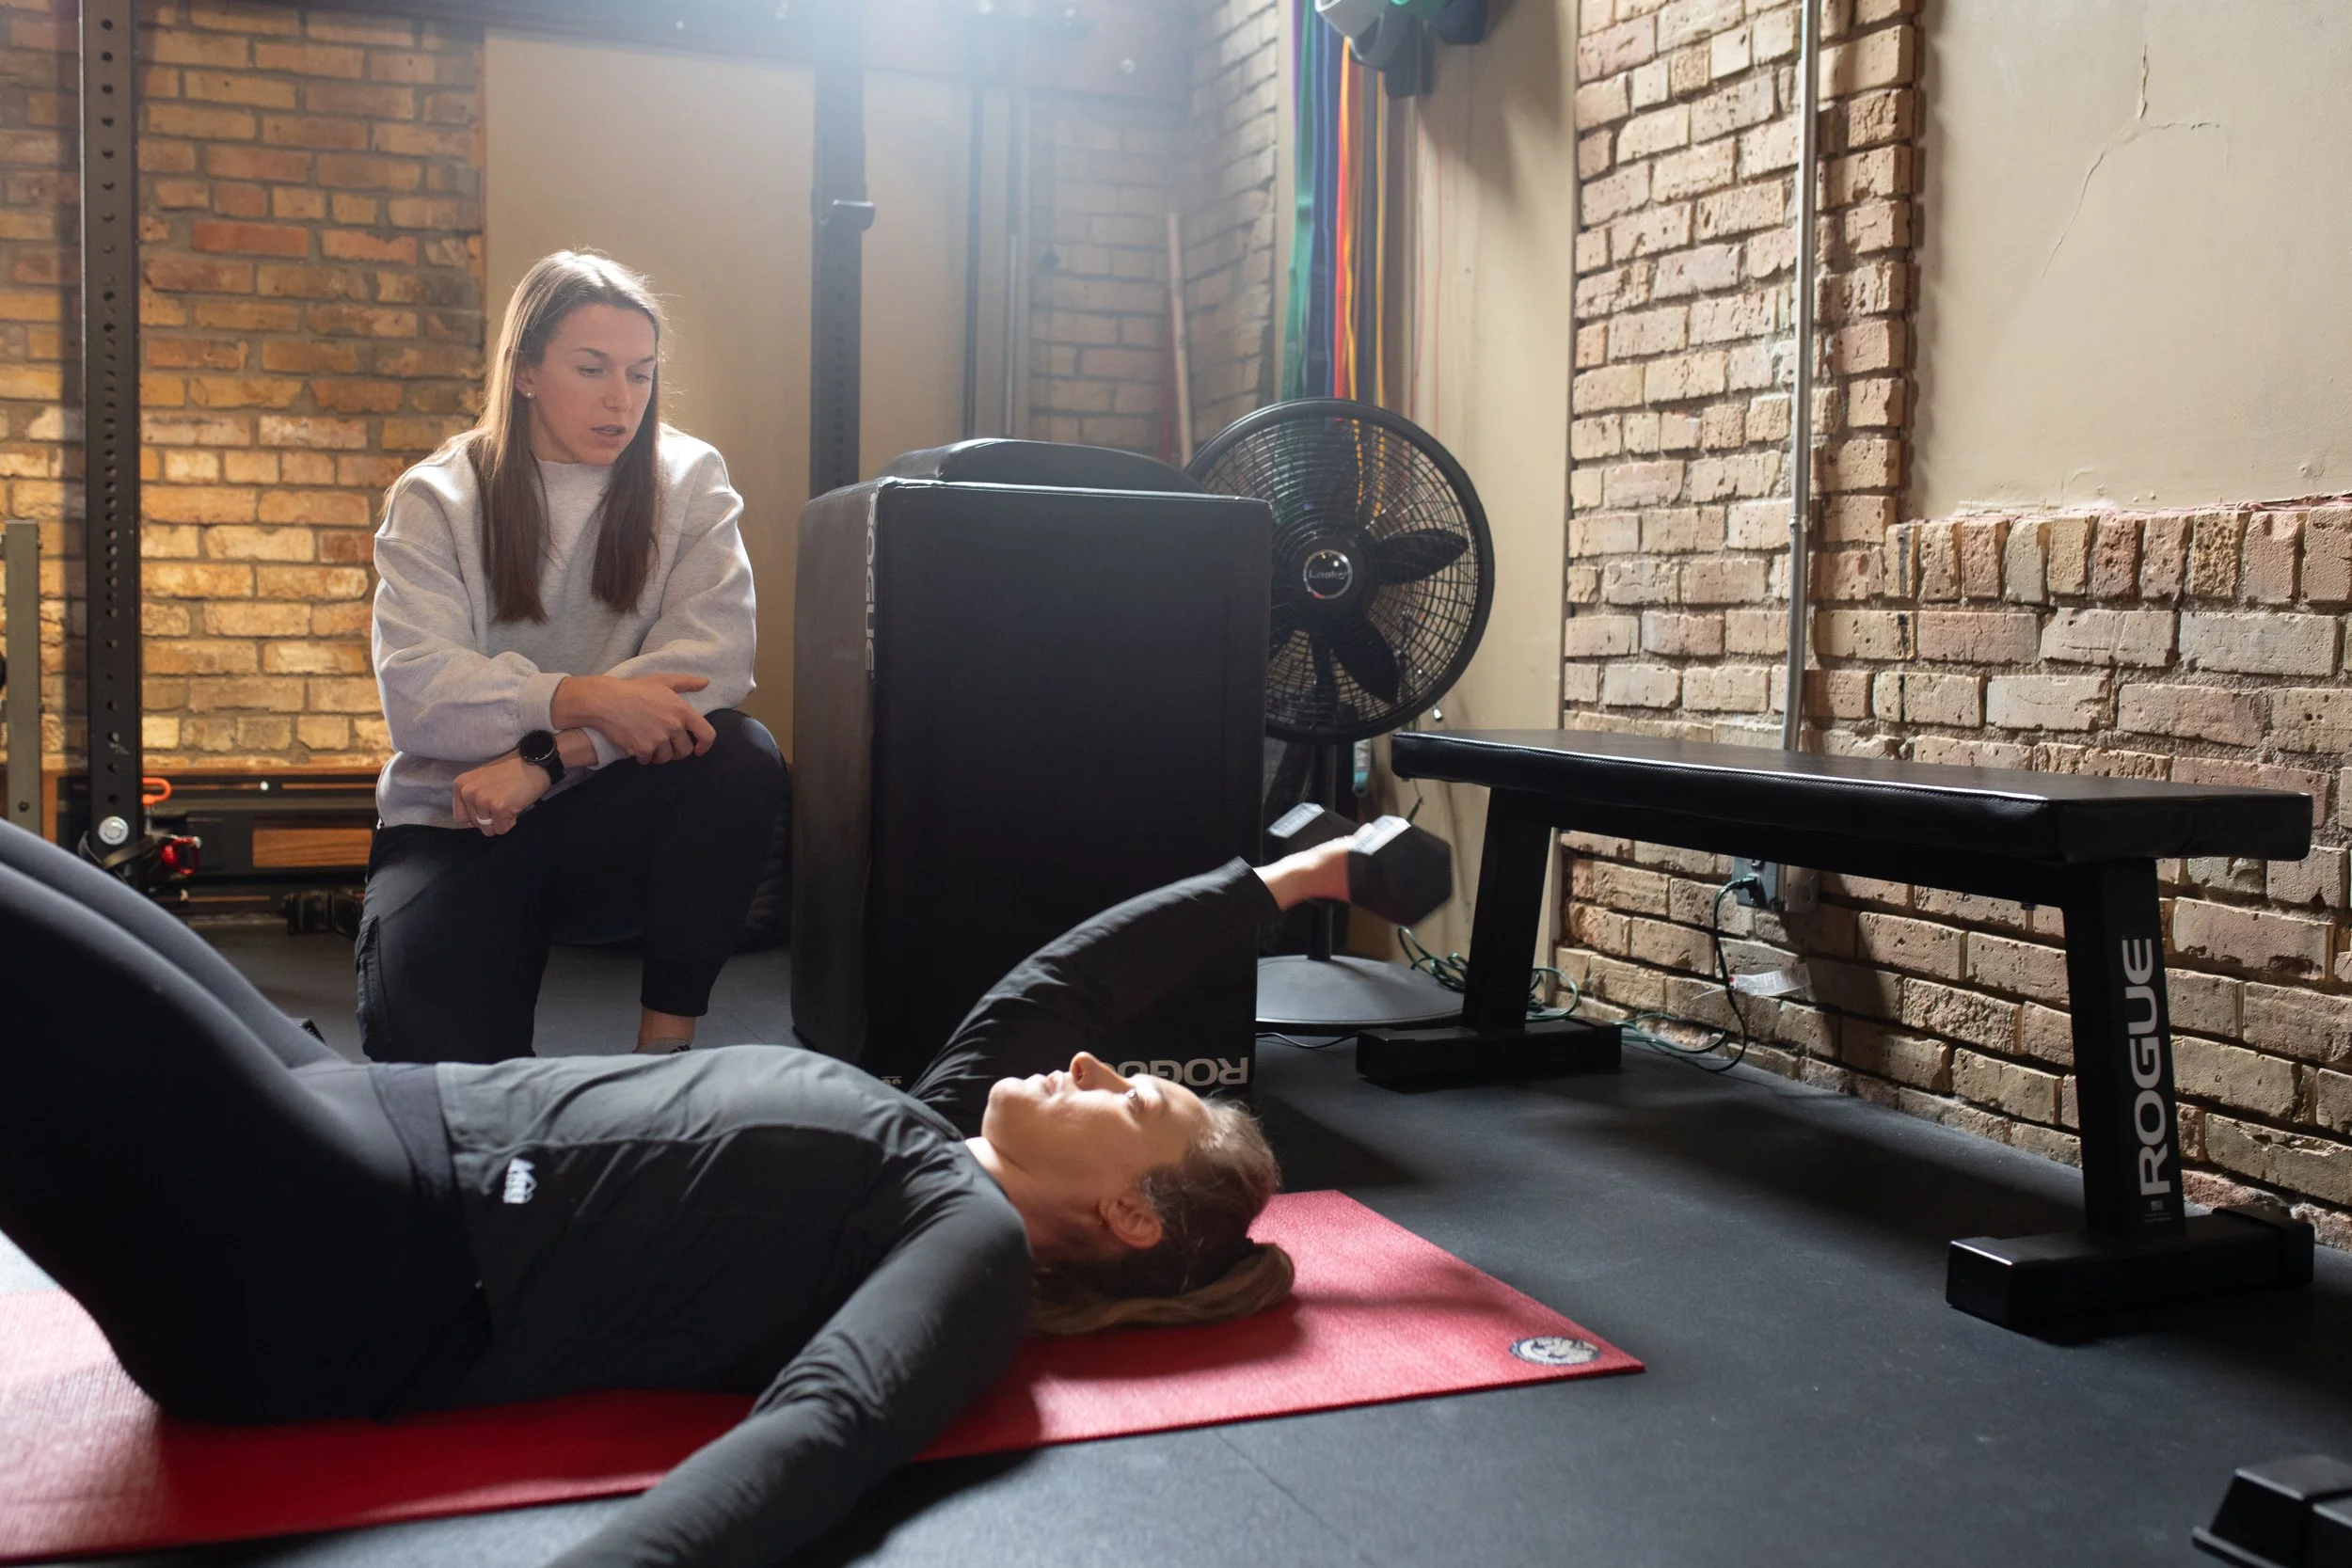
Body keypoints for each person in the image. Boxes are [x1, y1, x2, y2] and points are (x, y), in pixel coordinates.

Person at [0, 817, 1377, 1568]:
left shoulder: (966, 1248)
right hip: (339, 1108)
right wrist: (1277, 884)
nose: (1084, 1060)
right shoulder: (945, 1128)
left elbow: (821, 1435)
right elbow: (1061, 982)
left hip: (322, 1246)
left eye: (1131, 1096)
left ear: (1129, 1214)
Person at [362, 248, 785, 1063]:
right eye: (591, 369)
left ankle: (663, 1057)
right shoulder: (438, 497)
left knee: (739, 753)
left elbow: (716, 658)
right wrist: (584, 699)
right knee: (438, 1100)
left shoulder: (689, 478)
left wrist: (548, 760)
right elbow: (419, 693)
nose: (620, 400)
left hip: (604, 823)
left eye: (640, 373)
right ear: (524, 370)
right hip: (458, 821)